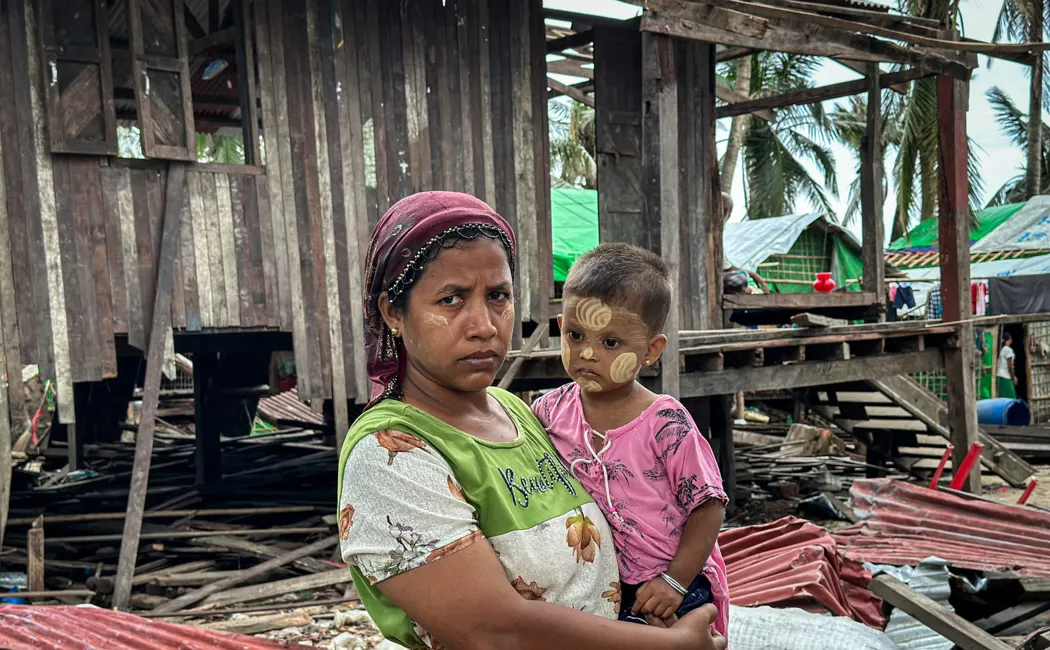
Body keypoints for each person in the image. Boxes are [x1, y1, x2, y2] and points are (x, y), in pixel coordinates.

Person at [338, 192, 727, 650]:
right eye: (451, 300)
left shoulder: (522, 413)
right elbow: (493, 632)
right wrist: (675, 646)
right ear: (392, 313)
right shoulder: (391, 453)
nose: (484, 324)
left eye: (498, 296)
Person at [532, 242, 730, 636]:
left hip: (674, 582)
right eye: (575, 334)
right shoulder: (549, 411)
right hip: (600, 584)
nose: (587, 353)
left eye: (610, 343)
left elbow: (708, 507)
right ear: (559, 326)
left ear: (650, 350)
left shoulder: (666, 423)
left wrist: (675, 582)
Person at [998, 331, 1018, 398]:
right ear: (1009, 340)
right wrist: (1013, 377)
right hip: (1005, 377)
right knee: (1012, 398)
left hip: (1001, 376)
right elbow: (1010, 366)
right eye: (1011, 339)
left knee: (1004, 398)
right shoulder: (1008, 350)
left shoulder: (1002, 349)